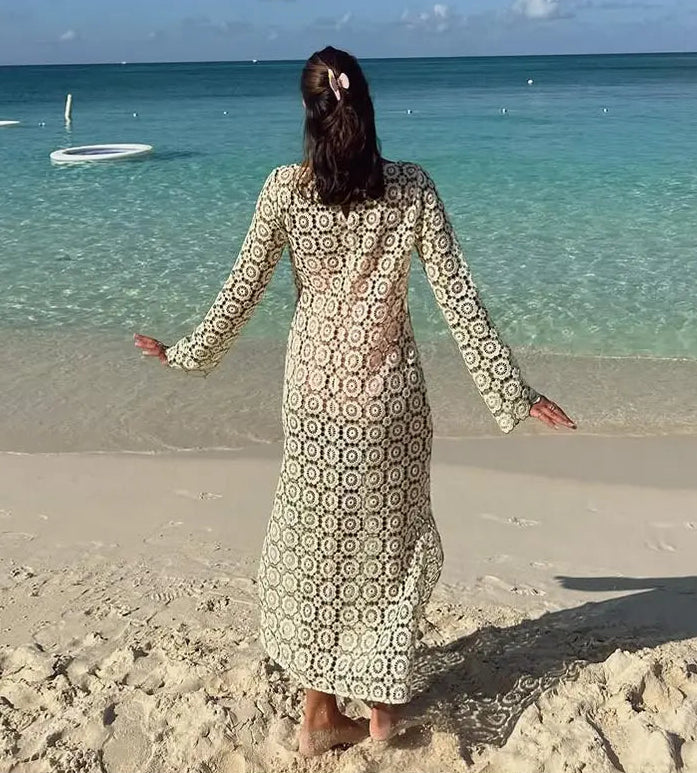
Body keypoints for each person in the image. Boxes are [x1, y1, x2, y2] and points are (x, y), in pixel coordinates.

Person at [134, 45, 575, 757]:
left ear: (310, 114)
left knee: (316, 552)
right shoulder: (412, 187)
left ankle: (317, 717)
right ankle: (378, 710)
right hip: (388, 400)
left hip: (311, 396)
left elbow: (238, 295)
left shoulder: (283, 189)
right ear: (365, 103)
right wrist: (510, 388)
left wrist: (185, 353)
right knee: (388, 549)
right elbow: (459, 298)